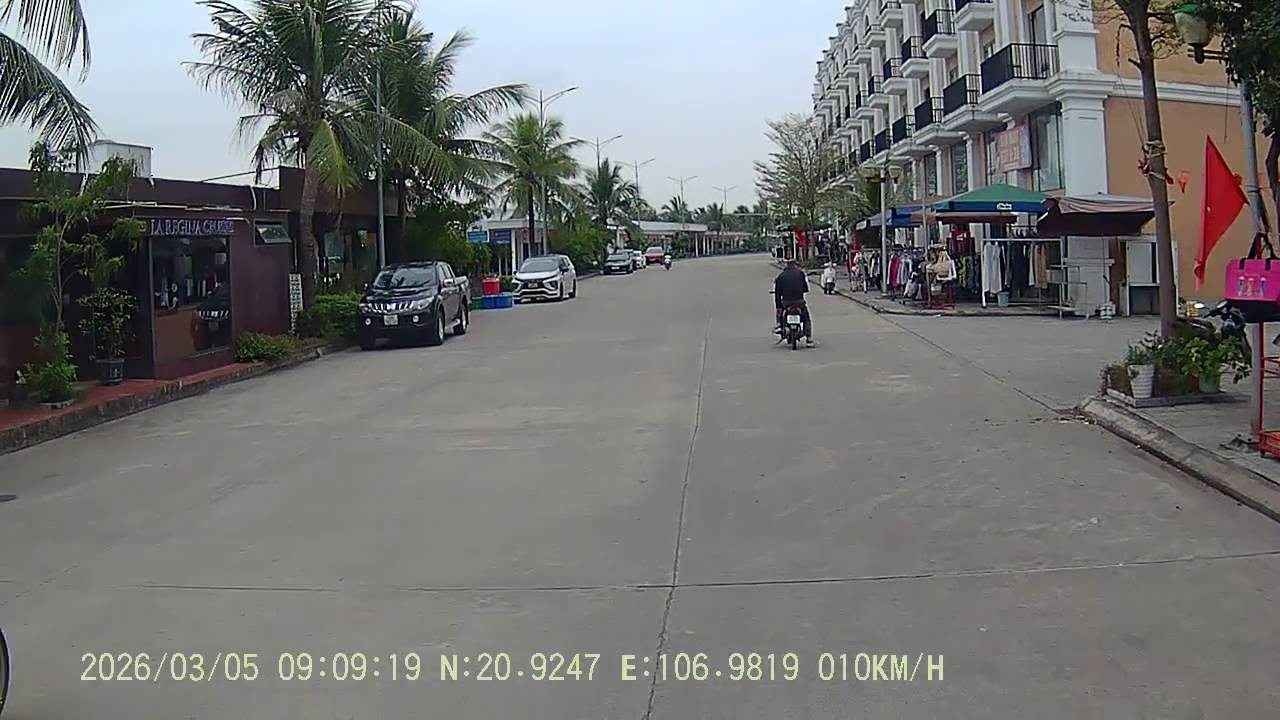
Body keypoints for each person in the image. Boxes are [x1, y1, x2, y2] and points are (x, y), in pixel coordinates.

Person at [774, 259, 814, 345]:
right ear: (795, 265)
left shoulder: (780, 276)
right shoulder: (800, 274)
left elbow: (777, 294)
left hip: (786, 303)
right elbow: (805, 289)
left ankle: (779, 326)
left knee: (780, 313)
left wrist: (778, 307)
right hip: (799, 302)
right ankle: (809, 338)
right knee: (806, 318)